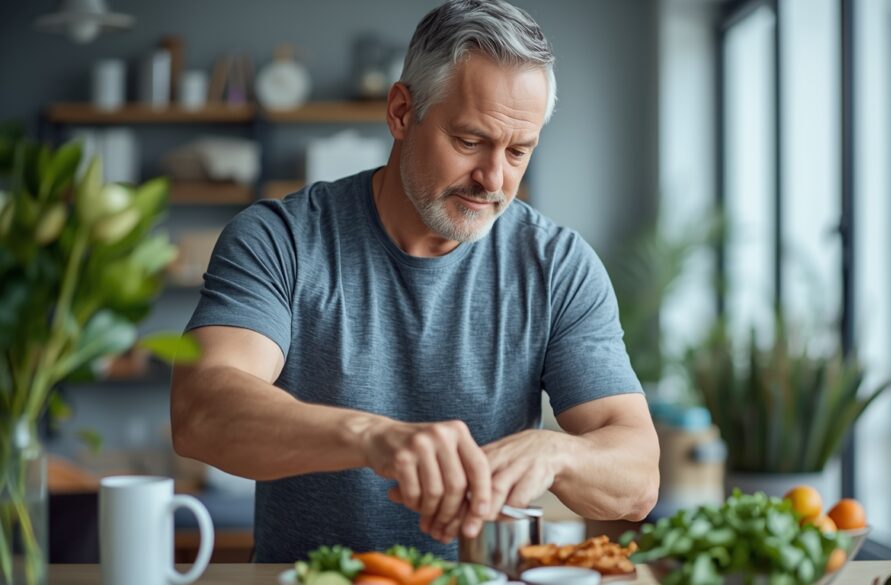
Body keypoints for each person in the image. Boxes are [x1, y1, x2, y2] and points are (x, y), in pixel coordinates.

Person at [170, 0, 659, 563]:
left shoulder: (558, 265)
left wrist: (557, 454)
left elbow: (638, 480)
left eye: (518, 151)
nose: (493, 180)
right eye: (470, 141)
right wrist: (372, 438)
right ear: (402, 112)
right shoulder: (280, 239)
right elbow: (200, 410)